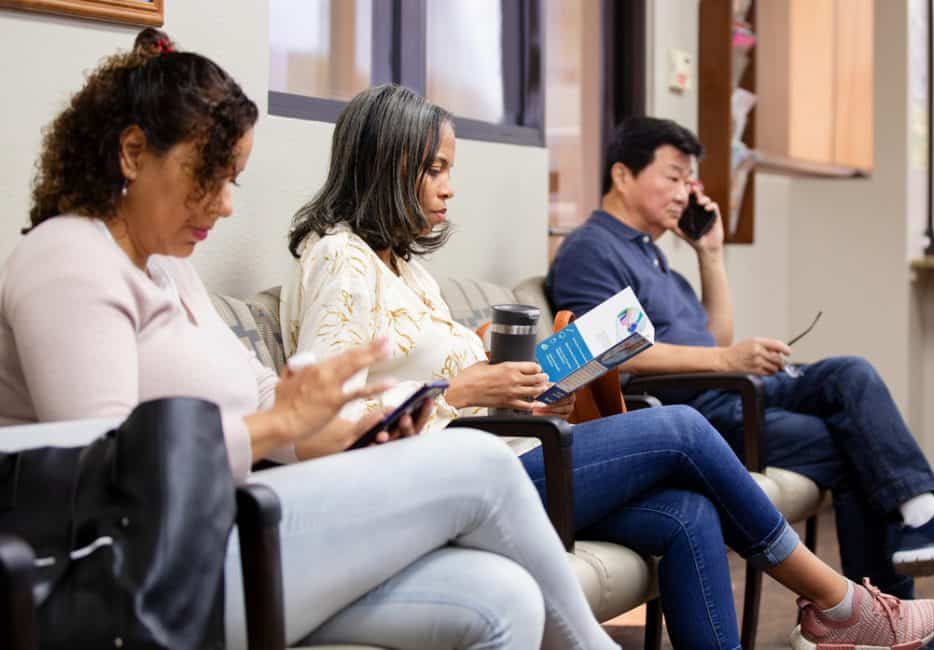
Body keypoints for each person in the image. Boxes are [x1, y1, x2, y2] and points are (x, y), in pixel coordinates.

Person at [0, 29, 619, 650]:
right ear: (132, 153)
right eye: (206, 178)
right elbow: (104, 472)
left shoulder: (166, 266)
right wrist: (278, 427)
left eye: (232, 181)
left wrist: (350, 425)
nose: (224, 206)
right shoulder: (67, 259)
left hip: (230, 522)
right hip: (149, 567)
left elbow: (264, 393)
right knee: (479, 462)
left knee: (501, 596)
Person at [283, 83, 934, 650]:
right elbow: (320, 429)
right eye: (433, 170)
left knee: (689, 514)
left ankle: (838, 610)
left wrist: (523, 389)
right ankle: (836, 604)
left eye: (449, 169)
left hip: (503, 451)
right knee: (683, 428)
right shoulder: (340, 262)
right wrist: (462, 384)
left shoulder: (406, 268)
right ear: (381, 165)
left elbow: (443, 387)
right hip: (451, 483)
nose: (449, 190)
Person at [547, 116, 934, 649]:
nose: (686, 191)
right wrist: (728, 360)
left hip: (723, 390)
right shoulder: (592, 249)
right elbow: (608, 358)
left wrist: (711, 255)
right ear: (621, 175)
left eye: (690, 180)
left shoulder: (653, 252)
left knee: (850, 372)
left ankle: (921, 518)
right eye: (674, 177)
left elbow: (712, 337)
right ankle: (885, 617)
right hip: (693, 412)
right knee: (855, 446)